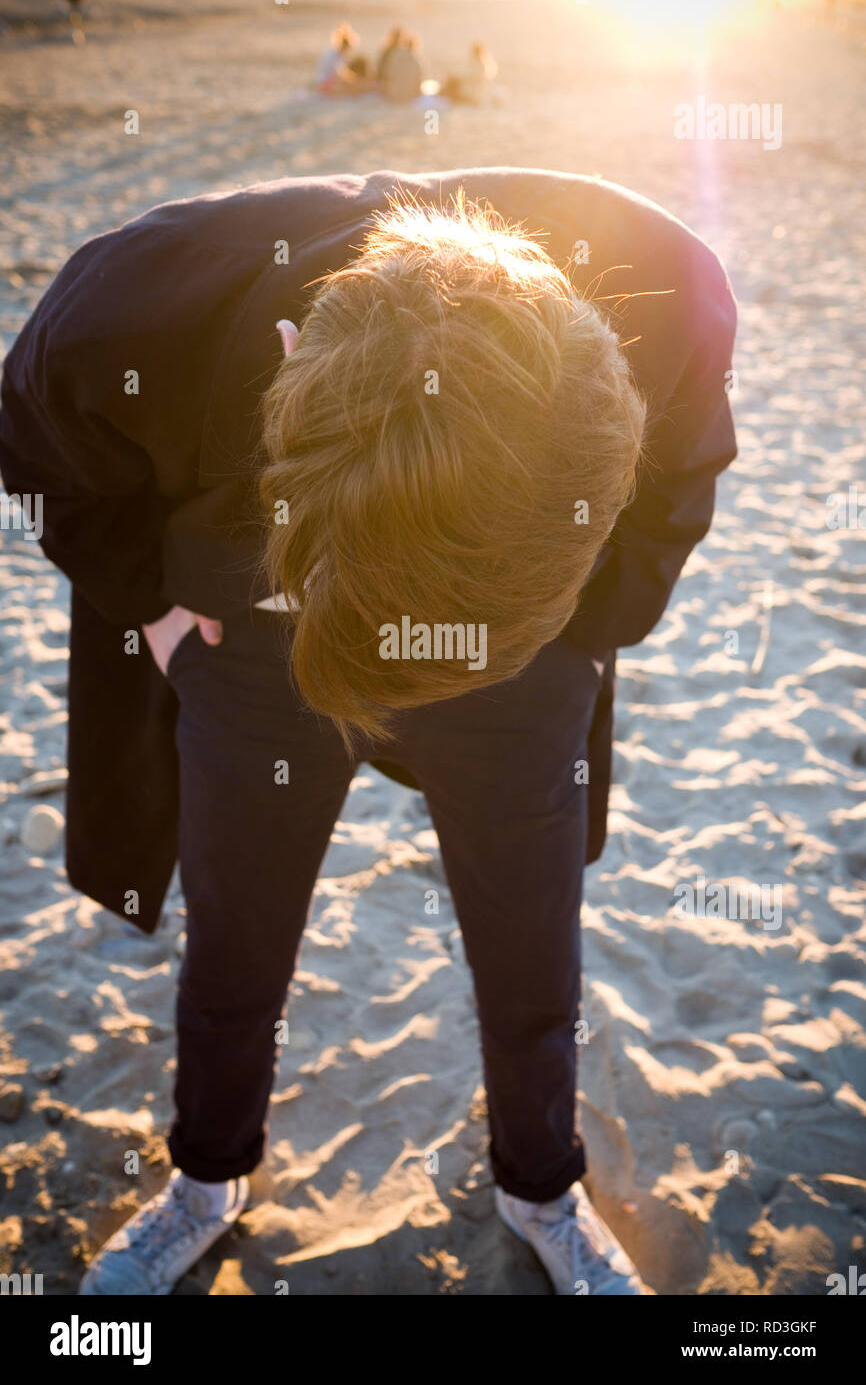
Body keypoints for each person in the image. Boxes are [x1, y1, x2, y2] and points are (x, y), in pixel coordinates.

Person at [0, 168, 737, 1296]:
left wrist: (582, 626)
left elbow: (680, 481)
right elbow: (45, 460)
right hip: (252, 620)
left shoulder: (669, 300)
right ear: (288, 359)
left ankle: (539, 1183)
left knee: (529, 929)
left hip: (520, 647)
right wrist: (152, 604)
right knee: (236, 923)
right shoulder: (120, 313)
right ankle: (208, 1177)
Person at [315, 23, 371, 95]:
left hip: (329, 81)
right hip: (325, 83)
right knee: (353, 88)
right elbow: (340, 74)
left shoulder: (338, 54)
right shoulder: (333, 55)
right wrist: (354, 80)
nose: (348, 51)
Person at [381, 31, 425, 102]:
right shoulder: (417, 60)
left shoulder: (394, 57)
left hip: (394, 95)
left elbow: (388, 76)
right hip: (410, 97)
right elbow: (419, 80)